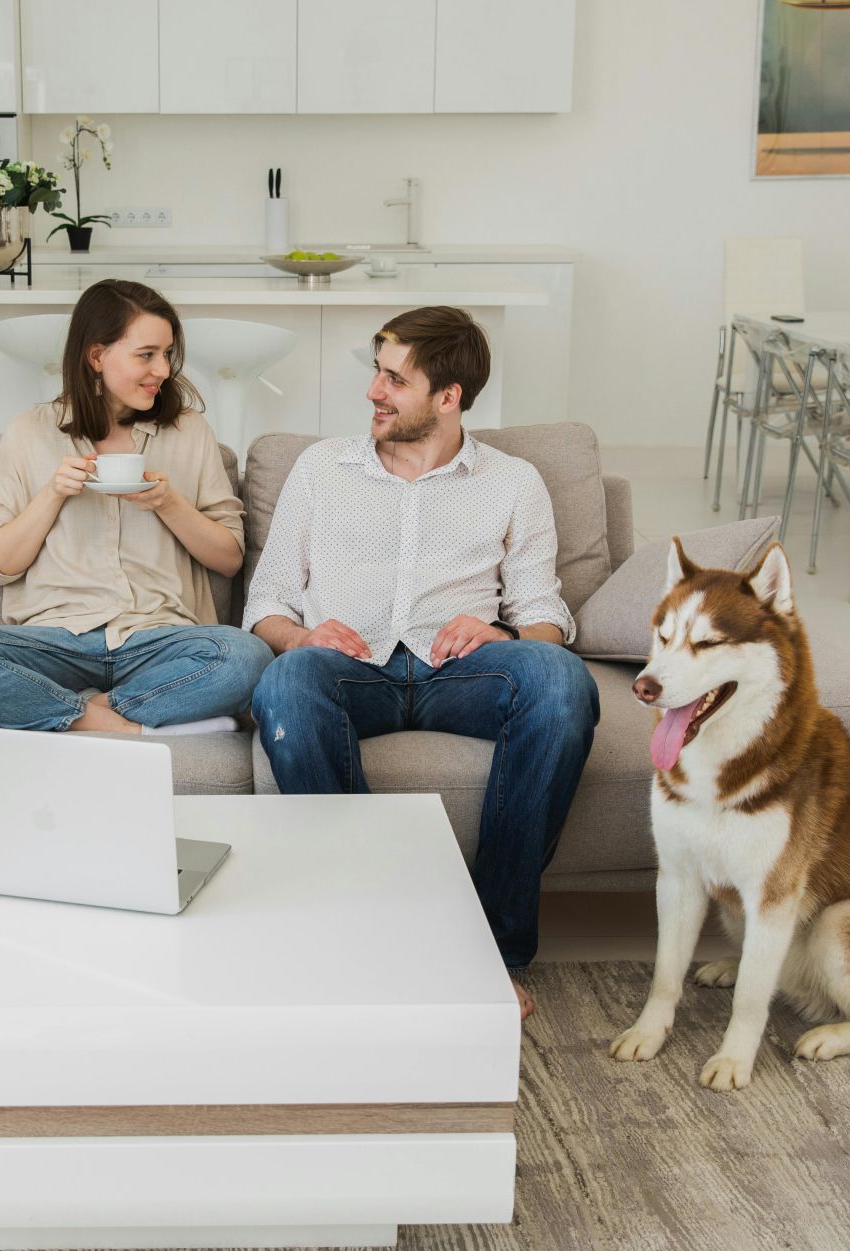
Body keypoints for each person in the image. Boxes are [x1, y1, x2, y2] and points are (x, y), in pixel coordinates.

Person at [243, 306, 599, 1018]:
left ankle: (490, 953)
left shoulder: (514, 482)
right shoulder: (322, 469)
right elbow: (266, 604)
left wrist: (508, 639)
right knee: (285, 684)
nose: (374, 390)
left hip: (460, 674)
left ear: (449, 397)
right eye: (376, 371)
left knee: (561, 682)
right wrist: (299, 639)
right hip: (348, 671)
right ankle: (379, 933)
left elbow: (543, 611)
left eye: (395, 379)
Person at [0, 278, 272, 735]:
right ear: (97, 356)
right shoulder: (29, 431)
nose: (163, 369)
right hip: (56, 639)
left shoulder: (189, 431)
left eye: (166, 354)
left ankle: (80, 711)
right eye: (146, 354)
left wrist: (168, 503)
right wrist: (54, 493)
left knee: (247, 656)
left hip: (157, 636)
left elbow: (230, 558)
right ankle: (127, 726)